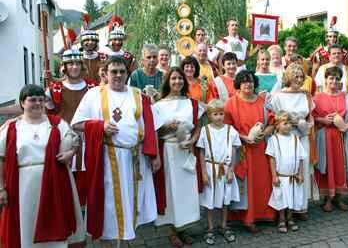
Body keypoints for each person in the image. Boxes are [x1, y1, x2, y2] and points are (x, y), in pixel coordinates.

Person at [71, 56, 161, 246]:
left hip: (135, 159)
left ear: (128, 73)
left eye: (122, 71)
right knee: (109, 204)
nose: (118, 75)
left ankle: (122, 241)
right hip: (107, 158)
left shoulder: (137, 94)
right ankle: (107, 242)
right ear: (105, 73)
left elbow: (150, 126)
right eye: (114, 71)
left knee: (129, 203)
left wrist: (154, 155)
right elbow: (76, 124)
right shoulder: (94, 94)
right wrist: (100, 126)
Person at [0, 84, 85, 247]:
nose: (38, 103)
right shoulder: (12, 128)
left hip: (56, 181)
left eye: (41, 100)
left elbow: (75, 141)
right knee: (27, 223)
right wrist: (1, 188)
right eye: (32, 100)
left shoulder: (57, 123)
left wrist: (70, 153)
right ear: (22, 103)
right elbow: (1, 157)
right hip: (23, 186)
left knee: (54, 219)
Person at [153, 67, 205, 247]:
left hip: (187, 150)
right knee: (171, 192)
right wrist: (169, 128)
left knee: (186, 193)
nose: (177, 82)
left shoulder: (192, 103)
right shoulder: (158, 105)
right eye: (173, 78)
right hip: (169, 151)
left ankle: (183, 228)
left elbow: (198, 126)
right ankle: (172, 230)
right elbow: (156, 133)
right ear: (168, 81)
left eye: (180, 79)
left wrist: (193, 141)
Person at [224, 70, 276, 232]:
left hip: (261, 148)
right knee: (245, 184)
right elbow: (226, 127)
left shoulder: (262, 101)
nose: (248, 84)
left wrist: (263, 134)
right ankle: (247, 218)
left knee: (261, 182)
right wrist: (244, 138)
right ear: (238, 84)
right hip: (241, 149)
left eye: (251, 81)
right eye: (244, 81)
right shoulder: (231, 103)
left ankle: (264, 214)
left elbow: (273, 122)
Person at [46, 49, 98, 207]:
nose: (74, 67)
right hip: (64, 139)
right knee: (65, 178)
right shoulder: (55, 89)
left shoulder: (93, 87)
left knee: (88, 178)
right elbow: (46, 114)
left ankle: (86, 212)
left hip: (88, 139)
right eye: (70, 64)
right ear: (64, 67)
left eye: (77, 63)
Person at [268, 63, 317, 220]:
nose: (299, 79)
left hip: (302, 137)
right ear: (288, 77)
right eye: (296, 76)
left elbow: (311, 117)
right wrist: (289, 122)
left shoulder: (306, 95)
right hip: (284, 140)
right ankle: (284, 208)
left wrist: (306, 125)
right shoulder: (279, 96)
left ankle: (300, 207)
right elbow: (273, 117)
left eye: (301, 76)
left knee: (302, 171)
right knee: (286, 173)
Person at [313, 66, 348, 212]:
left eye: (337, 78)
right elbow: (311, 117)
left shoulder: (346, 97)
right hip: (326, 138)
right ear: (325, 79)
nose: (334, 81)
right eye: (331, 78)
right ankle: (327, 199)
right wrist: (323, 120)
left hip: (343, 136)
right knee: (328, 166)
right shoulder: (317, 98)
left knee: (342, 166)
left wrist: (347, 124)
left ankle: (339, 198)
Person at [198, 99, 240, 245]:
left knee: (225, 199)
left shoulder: (230, 130)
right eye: (215, 114)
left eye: (221, 114)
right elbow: (202, 153)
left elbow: (234, 150)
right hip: (210, 169)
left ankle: (223, 225)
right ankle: (210, 227)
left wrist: (231, 170)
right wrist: (203, 172)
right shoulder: (205, 130)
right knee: (209, 199)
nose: (219, 117)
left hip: (226, 169)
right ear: (209, 115)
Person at [266, 112, 306, 233]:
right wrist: (274, 175)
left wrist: (300, 173)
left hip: (293, 176)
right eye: (285, 123)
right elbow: (271, 158)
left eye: (289, 124)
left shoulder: (295, 138)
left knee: (292, 198)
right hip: (281, 176)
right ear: (277, 125)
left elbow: (300, 157)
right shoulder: (274, 139)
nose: (288, 126)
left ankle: (290, 218)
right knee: (282, 199)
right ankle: (282, 219)